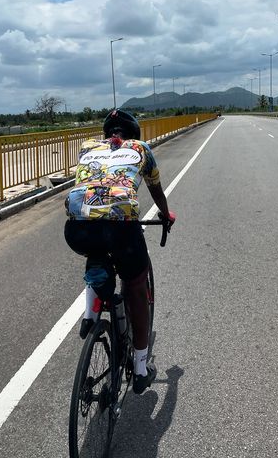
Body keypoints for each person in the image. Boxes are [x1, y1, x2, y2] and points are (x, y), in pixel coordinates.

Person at [64, 109, 175, 394]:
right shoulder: (140, 149)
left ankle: (90, 316)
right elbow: (156, 190)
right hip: (121, 229)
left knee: (96, 249)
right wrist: (165, 214)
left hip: (76, 229)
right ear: (133, 134)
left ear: (107, 133)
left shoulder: (87, 147)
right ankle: (139, 368)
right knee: (136, 286)